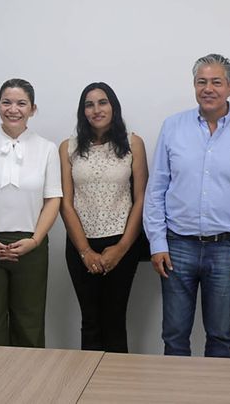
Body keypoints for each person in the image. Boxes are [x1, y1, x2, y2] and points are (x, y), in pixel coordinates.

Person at [144, 53, 230, 358]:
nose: (208, 88)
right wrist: (157, 243)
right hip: (177, 247)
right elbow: (156, 188)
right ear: (194, 86)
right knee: (174, 335)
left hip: (227, 247)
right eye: (202, 82)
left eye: (216, 82)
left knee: (220, 335)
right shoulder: (172, 127)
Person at [0, 78, 62, 347]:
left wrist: (36, 240)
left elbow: (53, 200)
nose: (13, 109)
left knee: (29, 324)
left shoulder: (47, 149)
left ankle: (28, 388)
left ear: (33, 109)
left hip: (31, 245)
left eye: (21, 103)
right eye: (7, 102)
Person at [59, 82, 148, 352]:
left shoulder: (133, 143)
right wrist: (85, 251)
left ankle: (117, 391)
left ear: (113, 106)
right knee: (91, 322)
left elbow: (141, 197)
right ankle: (89, 392)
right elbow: (65, 201)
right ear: (82, 111)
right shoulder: (68, 147)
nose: (96, 109)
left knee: (115, 321)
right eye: (89, 104)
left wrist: (121, 248)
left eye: (103, 102)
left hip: (122, 242)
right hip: (80, 245)